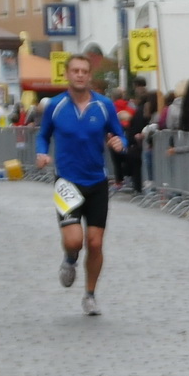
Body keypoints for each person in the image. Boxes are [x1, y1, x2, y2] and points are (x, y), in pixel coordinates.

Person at [35, 53, 126, 316]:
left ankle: (90, 295)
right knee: (75, 240)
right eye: (75, 70)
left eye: (84, 71)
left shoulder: (103, 105)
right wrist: (42, 153)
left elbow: (119, 133)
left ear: (89, 76)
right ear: (67, 74)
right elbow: (43, 136)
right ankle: (70, 258)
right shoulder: (55, 105)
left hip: (96, 181)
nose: (80, 75)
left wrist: (121, 143)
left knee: (95, 243)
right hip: (67, 182)